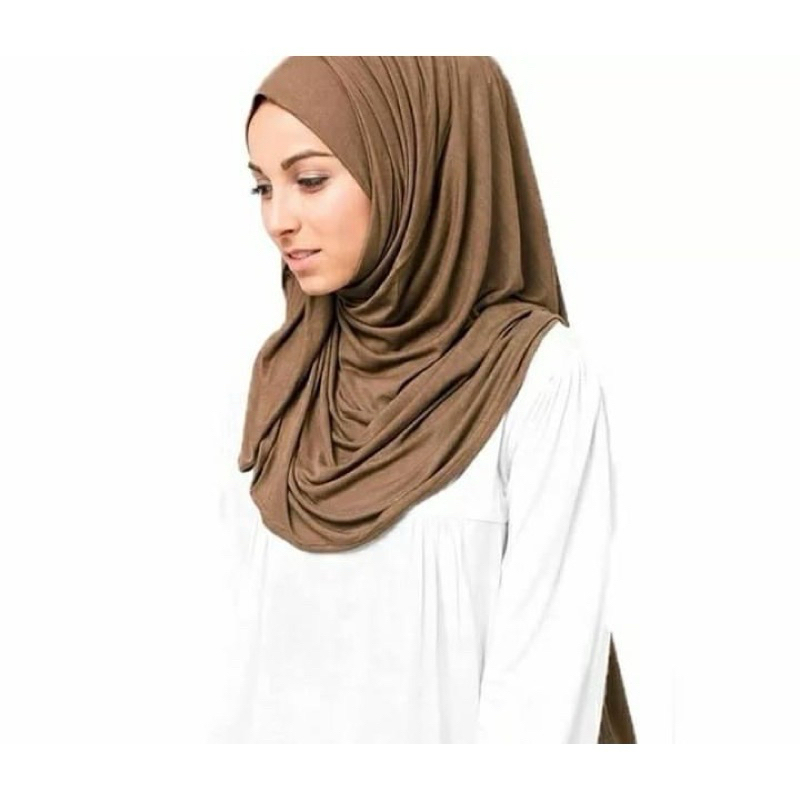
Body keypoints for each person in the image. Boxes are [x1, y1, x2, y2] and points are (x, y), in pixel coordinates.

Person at [214, 56, 635, 743]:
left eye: (310, 180)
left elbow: (543, 692)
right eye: (262, 186)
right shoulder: (287, 376)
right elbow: (237, 662)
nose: (278, 220)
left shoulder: (538, 378)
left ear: (414, 166)